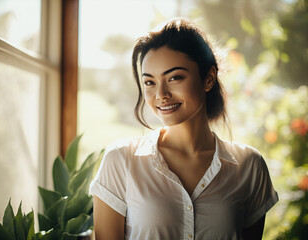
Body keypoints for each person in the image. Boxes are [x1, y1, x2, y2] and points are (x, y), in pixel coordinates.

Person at [89, 18, 278, 240]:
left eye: (175, 77)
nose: (161, 94)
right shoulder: (120, 161)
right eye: (150, 82)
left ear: (208, 79)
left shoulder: (249, 166)